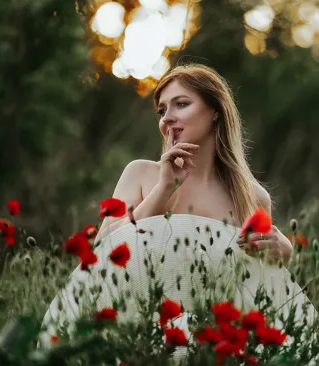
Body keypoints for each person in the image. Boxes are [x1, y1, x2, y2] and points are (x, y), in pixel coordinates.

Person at [94, 63, 293, 264]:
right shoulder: (140, 174)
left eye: (181, 104)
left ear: (216, 111)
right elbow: (102, 250)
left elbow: (258, 283)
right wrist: (164, 188)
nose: (167, 119)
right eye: (161, 111)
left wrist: (282, 255)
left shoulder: (252, 197)